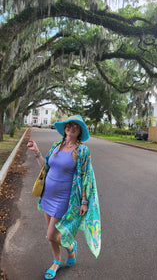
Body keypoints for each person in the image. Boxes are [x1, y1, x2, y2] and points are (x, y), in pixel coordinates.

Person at [27, 115, 101, 280]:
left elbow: (85, 176)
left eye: (75, 126)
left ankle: (56, 261)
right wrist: (36, 152)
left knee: (51, 235)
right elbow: (46, 168)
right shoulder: (56, 145)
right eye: (69, 125)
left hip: (64, 198)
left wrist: (84, 201)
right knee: (54, 235)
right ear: (65, 128)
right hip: (47, 195)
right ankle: (70, 246)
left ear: (80, 130)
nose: (71, 128)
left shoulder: (82, 150)